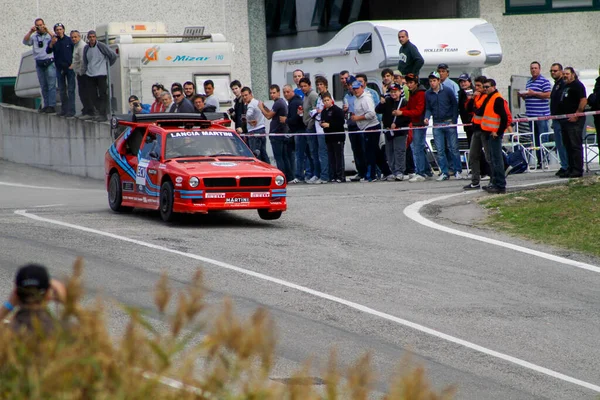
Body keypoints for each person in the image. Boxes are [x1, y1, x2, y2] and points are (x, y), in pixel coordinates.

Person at [0, 263, 66, 335]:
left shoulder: (7, 333)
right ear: (48, 294)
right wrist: (69, 302)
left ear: (16, 294)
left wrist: (9, 304)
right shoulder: (62, 332)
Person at [424, 72, 462, 181]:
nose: (432, 83)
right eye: (430, 81)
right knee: (440, 150)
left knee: (453, 148)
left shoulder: (447, 91)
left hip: (449, 121)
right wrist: (427, 117)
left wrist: (454, 120)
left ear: (439, 81)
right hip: (436, 123)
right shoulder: (428, 94)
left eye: (434, 80)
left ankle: (457, 170)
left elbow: (454, 105)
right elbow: (428, 108)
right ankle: (444, 172)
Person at [352, 79, 392, 181]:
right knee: (376, 152)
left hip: (371, 127)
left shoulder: (366, 98)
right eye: (354, 89)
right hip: (365, 128)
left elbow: (371, 114)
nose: (356, 90)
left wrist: (358, 118)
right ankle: (387, 172)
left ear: (362, 87)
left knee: (369, 152)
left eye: (357, 88)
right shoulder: (356, 99)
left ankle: (371, 175)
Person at [519, 61, 552, 167]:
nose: (533, 70)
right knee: (535, 139)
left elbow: (548, 94)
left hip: (541, 115)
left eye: (535, 68)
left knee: (543, 138)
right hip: (531, 116)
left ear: (539, 69)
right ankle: (539, 161)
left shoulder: (544, 81)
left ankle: (545, 160)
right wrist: (524, 96)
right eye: (532, 68)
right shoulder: (529, 82)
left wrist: (534, 93)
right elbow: (530, 96)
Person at [259, 84, 294, 181]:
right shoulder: (281, 102)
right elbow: (272, 113)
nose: (272, 95)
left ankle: (282, 177)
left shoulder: (278, 103)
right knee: (284, 157)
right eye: (270, 93)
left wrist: (261, 108)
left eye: (274, 93)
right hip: (280, 133)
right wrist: (265, 107)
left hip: (277, 134)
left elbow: (269, 116)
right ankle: (289, 177)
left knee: (279, 157)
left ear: (278, 93)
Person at [458, 73, 489, 183]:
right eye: (476, 85)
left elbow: (480, 110)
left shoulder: (487, 97)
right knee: (474, 153)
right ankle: (476, 177)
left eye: (479, 85)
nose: (477, 88)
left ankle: (489, 172)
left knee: (488, 153)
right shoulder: (471, 95)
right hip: (474, 127)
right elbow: (468, 108)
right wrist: (471, 99)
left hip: (485, 128)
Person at [480, 79, 509, 194]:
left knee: (497, 160)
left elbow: (504, 118)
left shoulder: (497, 99)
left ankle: (500, 185)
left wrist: (498, 131)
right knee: (493, 159)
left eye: (487, 87)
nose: (485, 89)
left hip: (494, 134)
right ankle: (496, 183)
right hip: (490, 133)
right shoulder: (489, 98)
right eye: (484, 87)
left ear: (493, 87)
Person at [557, 67, 587, 178]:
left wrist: (577, 114)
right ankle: (570, 168)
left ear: (573, 74)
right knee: (567, 145)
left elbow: (583, 100)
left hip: (575, 121)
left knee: (575, 145)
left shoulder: (577, 85)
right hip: (565, 120)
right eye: (564, 74)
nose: (565, 76)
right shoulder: (566, 86)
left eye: (567, 74)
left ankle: (577, 169)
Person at [82, 30, 118, 121]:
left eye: (93, 37)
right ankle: (98, 111)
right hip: (90, 74)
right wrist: (86, 69)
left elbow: (113, 55)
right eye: (90, 37)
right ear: (88, 38)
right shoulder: (86, 48)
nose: (92, 39)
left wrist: (107, 66)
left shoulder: (101, 46)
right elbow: (85, 60)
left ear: (96, 37)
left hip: (101, 74)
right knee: (92, 95)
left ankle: (103, 114)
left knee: (103, 94)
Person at [23, 18, 56, 114]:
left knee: (51, 85)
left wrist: (47, 30)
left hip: (49, 61)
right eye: (38, 25)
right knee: (43, 85)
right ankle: (45, 105)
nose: (40, 27)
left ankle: (51, 105)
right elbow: (25, 42)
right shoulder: (34, 37)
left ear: (44, 24)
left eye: (41, 24)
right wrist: (31, 31)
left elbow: (56, 39)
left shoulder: (49, 35)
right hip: (39, 63)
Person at [376, 83, 409, 181]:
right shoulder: (387, 101)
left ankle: (400, 171)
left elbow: (407, 117)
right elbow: (377, 110)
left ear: (400, 92)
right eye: (391, 92)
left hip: (399, 132)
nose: (393, 94)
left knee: (399, 151)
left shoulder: (404, 102)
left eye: (395, 92)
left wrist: (397, 124)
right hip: (388, 131)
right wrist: (381, 102)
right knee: (389, 152)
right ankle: (393, 171)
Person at [300, 77, 327, 184]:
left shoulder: (313, 95)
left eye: (305, 86)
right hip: (309, 127)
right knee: (312, 153)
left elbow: (315, 111)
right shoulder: (306, 96)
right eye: (301, 86)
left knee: (317, 152)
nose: (303, 88)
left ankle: (320, 174)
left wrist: (310, 125)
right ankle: (316, 173)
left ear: (309, 85)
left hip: (313, 128)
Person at [46, 23, 75, 117]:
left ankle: (71, 110)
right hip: (59, 69)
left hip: (69, 68)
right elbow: (48, 51)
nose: (59, 31)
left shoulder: (69, 40)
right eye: (57, 30)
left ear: (63, 30)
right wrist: (51, 43)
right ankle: (64, 110)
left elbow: (75, 52)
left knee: (71, 90)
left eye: (60, 29)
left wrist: (73, 64)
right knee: (62, 90)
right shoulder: (54, 41)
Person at [343, 75, 367, 182]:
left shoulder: (361, 95)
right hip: (351, 124)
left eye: (351, 85)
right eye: (348, 85)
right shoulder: (346, 97)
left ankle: (367, 172)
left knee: (364, 149)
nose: (350, 87)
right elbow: (345, 114)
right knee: (356, 150)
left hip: (361, 124)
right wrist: (345, 111)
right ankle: (360, 171)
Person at [282, 84, 305, 183]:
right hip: (297, 131)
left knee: (299, 155)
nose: (286, 94)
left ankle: (299, 176)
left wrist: (286, 120)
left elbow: (295, 119)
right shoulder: (293, 101)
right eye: (284, 92)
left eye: (288, 92)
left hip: (299, 131)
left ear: (293, 92)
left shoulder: (294, 102)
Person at [320, 91, 346, 183]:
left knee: (338, 157)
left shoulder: (337, 110)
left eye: (328, 100)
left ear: (331, 100)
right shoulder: (323, 112)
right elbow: (323, 122)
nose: (326, 102)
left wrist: (330, 125)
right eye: (324, 100)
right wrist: (322, 124)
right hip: (328, 138)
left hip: (338, 137)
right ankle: (333, 175)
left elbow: (341, 123)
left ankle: (341, 176)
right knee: (331, 158)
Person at [549, 63, 569, 177]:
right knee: (559, 144)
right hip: (556, 119)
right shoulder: (556, 84)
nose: (553, 73)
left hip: (562, 119)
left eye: (555, 71)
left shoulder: (563, 84)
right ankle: (564, 165)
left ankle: (567, 166)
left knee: (563, 143)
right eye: (551, 71)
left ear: (560, 71)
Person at [241, 87, 270, 164]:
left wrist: (248, 120)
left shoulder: (250, 105)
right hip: (262, 130)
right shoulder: (258, 102)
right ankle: (269, 169)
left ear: (251, 94)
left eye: (246, 95)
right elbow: (267, 110)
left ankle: (260, 171)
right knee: (263, 153)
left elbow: (248, 115)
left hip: (254, 132)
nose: (244, 97)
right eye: (243, 96)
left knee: (256, 155)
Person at [70, 30, 93, 118]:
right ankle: (85, 110)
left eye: (75, 37)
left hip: (83, 73)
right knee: (82, 93)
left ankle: (89, 111)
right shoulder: (76, 46)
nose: (73, 39)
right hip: (79, 72)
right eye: (72, 37)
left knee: (85, 93)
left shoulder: (81, 46)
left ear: (79, 37)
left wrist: (81, 72)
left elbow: (83, 61)